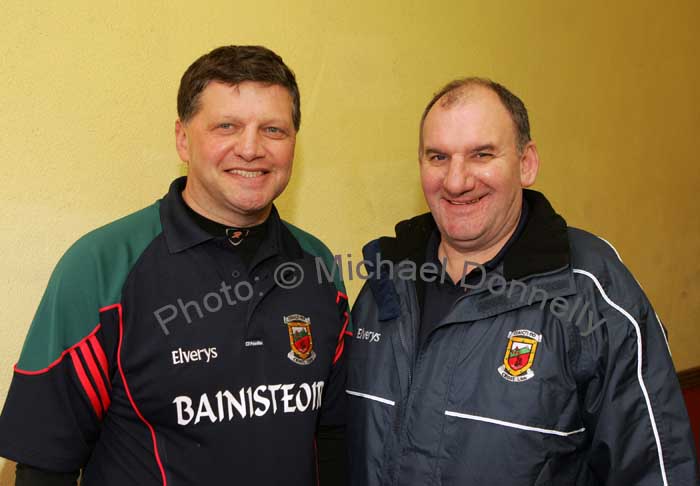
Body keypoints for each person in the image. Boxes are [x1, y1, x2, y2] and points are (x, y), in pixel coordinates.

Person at [0, 45, 350, 486]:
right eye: (227, 126)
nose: (251, 148)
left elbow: (333, 439)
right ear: (183, 139)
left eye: (274, 130)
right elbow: (44, 465)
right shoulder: (102, 268)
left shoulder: (319, 266)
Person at [346, 77, 699, 485]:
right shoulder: (383, 286)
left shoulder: (591, 291)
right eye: (438, 157)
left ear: (526, 163)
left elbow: (656, 471)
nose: (456, 180)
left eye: (481, 154)